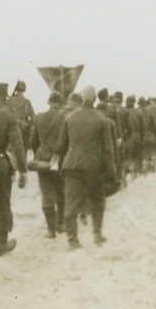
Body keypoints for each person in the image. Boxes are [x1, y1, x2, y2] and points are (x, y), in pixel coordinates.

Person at [59, 85, 118, 248]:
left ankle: (72, 240)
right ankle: (97, 234)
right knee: (98, 200)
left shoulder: (69, 118)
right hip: (93, 166)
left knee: (70, 203)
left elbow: (61, 146)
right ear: (94, 100)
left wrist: (62, 167)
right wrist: (111, 172)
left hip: (71, 165)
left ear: (82, 98)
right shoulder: (102, 120)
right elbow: (108, 149)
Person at [0, 82, 28, 255]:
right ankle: (2, 244)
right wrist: (23, 170)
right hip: (0, 163)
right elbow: (18, 144)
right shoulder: (9, 115)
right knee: (3, 204)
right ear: (5, 96)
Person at [28, 91, 68, 237]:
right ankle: (60, 224)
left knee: (46, 193)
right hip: (58, 157)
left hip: (42, 155)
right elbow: (67, 142)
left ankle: (50, 230)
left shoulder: (39, 117)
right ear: (61, 103)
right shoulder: (65, 118)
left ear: (49, 102)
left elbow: (33, 140)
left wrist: (39, 153)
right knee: (61, 191)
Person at [8, 80, 36, 158]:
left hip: (12, 127)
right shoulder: (27, 101)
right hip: (24, 129)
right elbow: (33, 116)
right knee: (23, 152)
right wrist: (29, 125)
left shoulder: (10, 100)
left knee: (12, 151)